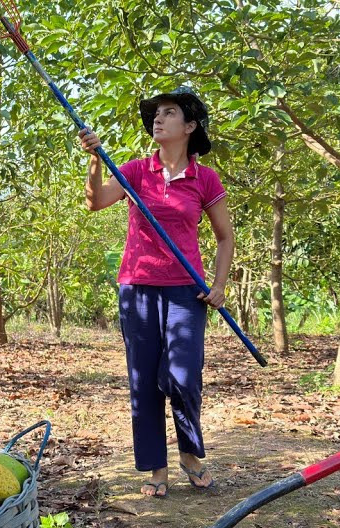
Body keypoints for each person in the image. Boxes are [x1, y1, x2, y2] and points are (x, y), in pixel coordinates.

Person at [78, 86, 234, 498]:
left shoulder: (204, 178)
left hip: (186, 291)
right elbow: (95, 202)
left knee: (183, 375)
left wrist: (218, 285)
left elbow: (224, 238)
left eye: (168, 113)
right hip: (138, 288)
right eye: (155, 115)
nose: (158, 119)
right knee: (143, 380)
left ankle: (189, 453)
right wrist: (95, 160)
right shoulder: (135, 171)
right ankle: (156, 468)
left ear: (190, 126)